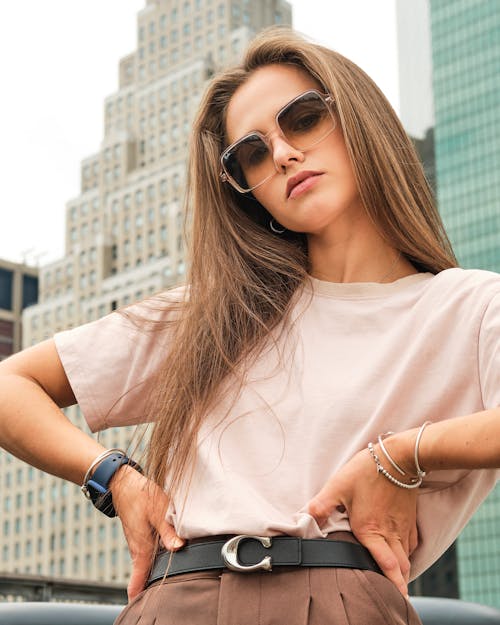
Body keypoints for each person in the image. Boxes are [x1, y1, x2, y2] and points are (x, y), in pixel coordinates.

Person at [1, 26, 500, 625]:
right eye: (252, 154)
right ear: (246, 193)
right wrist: (117, 480)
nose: (284, 153)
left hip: (344, 601)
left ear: (360, 116)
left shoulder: (470, 305)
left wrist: (400, 455)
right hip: (175, 598)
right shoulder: (217, 311)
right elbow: (11, 388)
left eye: (304, 118)